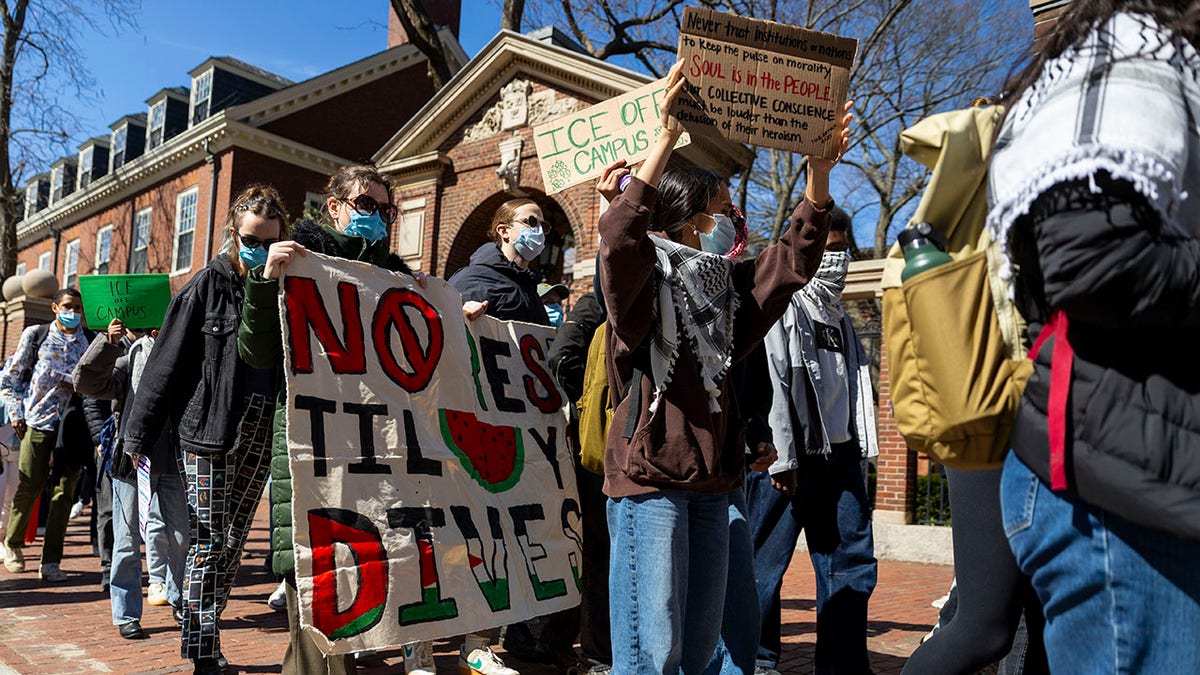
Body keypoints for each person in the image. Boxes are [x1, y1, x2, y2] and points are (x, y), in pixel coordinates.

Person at [597, 59, 852, 674]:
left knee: (700, 653)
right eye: (722, 209)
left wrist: (818, 176)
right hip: (652, 483)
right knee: (651, 654)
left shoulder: (730, 294)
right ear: (689, 219)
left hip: (714, 486)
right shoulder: (640, 289)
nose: (734, 222)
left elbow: (790, 262)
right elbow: (619, 240)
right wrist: (664, 140)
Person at [985, 2, 1200, 672]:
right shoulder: (1134, 49)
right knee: (980, 631)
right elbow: (1089, 255)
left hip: (1143, 472)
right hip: (1117, 491)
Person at [242, 164, 416, 675]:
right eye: (366, 204)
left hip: (374, 454)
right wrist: (263, 281)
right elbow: (255, 352)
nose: (378, 216)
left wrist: (454, 316)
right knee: (318, 601)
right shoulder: (297, 262)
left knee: (344, 611)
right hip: (312, 450)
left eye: (386, 209)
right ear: (334, 207)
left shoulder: (395, 277)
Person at [122, 184, 290, 675]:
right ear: (231, 235)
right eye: (250, 240)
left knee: (235, 540)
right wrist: (136, 437)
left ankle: (205, 628)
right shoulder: (205, 285)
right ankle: (201, 647)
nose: (258, 250)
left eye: (268, 240)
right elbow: (165, 366)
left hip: (261, 425)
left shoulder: (282, 287)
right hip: (210, 429)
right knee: (210, 538)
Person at [745, 208, 879, 675]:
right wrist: (780, 455)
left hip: (838, 458)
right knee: (763, 565)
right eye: (826, 249)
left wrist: (860, 451)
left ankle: (843, 665)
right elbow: (773, 380)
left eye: (841, 248)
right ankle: (757, 659)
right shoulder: (782, 302)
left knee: (852, 562)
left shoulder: (839, 316)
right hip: (791, 458)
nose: (835, 258)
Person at [73, 318, 189, 640]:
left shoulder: (183, 361)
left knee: (181, 537)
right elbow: (85, 381)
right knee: (125, 540)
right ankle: (126, 613)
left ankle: (180, 601)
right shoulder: (129, 359)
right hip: (132, 460)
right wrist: (106, 344)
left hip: (173, 459)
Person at [1, 288, 94, 582]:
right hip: (38, 421)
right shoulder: (36, 335)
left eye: (78, 307)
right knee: (29, 484)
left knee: (64, 492)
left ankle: (51, 561)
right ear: (55, 307)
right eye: (68, 306)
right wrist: (16, 413)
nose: (73, 312)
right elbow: (10, 379)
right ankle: (13, 544)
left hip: (73, 425)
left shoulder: (90, 341)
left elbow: (98, 382)